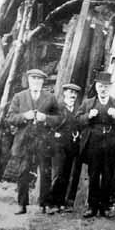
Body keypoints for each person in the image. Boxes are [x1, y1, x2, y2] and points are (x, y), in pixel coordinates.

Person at [5, 68, 60, 215]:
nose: (36, 81)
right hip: (25, 141)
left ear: (43, 81)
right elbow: (10, 117)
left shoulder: (50, 98)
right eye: (33, 78)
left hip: (43, 140)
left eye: (39, 79)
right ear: (28, 80)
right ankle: (22, 204)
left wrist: (46, 118)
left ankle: (44, 204)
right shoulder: (19, 97)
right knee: (23, 172)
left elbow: (59, 119)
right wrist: (24, 116)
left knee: (45, 172)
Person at [77, 71, 115, 218]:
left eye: (106, 86)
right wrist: (88, 116)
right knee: (93, 175)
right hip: (93, 142)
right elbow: (77, 120)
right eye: (100, 86)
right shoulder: (88, 103)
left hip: (111, 143)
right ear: (96, 86)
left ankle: (104, 207)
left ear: (110, 87)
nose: (103, 89)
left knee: (108, 175)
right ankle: (92, 207)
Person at [49, 82, 82, 212]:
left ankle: (61, 202)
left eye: (75, 93)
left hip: (72, 145)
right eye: (70, 92)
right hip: (58, 144)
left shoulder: (78, 109)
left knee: (67, 174)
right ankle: (51, 203)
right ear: (65, 93)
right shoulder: (57, 107)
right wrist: (54, 134)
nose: (72, 95)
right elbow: (49, 122)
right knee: (58, 173)